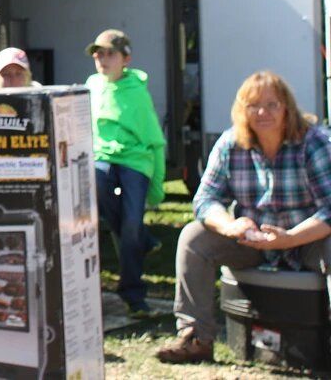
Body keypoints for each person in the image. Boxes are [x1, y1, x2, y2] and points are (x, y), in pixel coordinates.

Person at [156, 71, 331, 364]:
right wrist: (229, 225)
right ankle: (195, 338)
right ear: (242, 110)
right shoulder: (229, 144)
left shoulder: (313, 142)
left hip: (308, 240)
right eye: (253, 105)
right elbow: (205, 199)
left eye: (272, 105)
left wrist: (289, 239)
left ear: (286, 108)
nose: (262, 112)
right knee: (193, 237)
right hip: (253, 242)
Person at [85, 28, 165, 318]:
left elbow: (155, 140)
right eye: (98, 54)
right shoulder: (91, 85)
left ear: (126, 58)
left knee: (131, 225)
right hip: (103, 158)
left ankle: (134, 295)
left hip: (135, 161)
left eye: (109, 54)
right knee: (98, 177)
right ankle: (142, 241)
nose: (102, 59)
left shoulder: (137, 92)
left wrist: (157, 185)